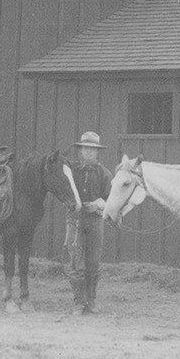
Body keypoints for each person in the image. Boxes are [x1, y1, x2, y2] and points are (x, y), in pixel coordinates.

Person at [63, 131, 113, 315]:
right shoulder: (71, 172)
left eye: (93, 149)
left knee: (93, 262)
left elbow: (110, 197)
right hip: (74, 220)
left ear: (98, 152)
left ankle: (91, 301)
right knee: (76, 261)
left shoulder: (104, 174)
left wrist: (99, 204)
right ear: (80, 150)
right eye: (86, 149)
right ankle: (78, 302)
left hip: (95, 221)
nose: (89, 153)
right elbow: (63, 191)